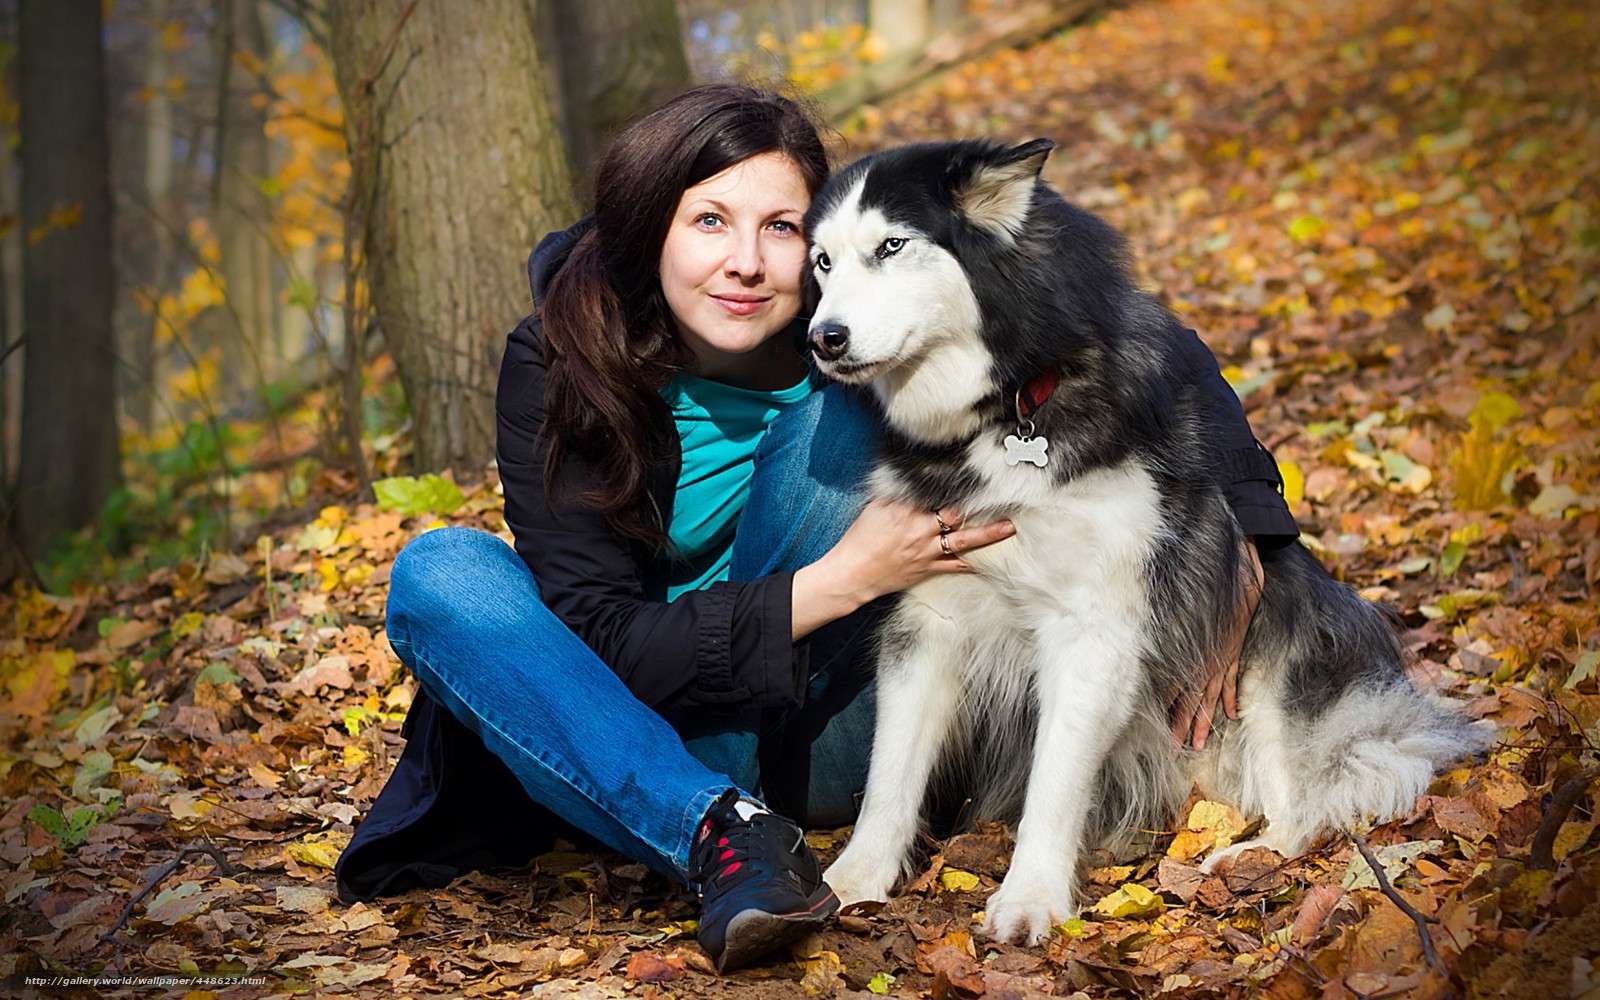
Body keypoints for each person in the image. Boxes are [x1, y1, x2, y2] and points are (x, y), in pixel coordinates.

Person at [334, 84, 1298, 972]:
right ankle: (718, 830)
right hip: (610, 740)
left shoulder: (852, 330)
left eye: (782, 228)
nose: (747, 262)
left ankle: (743, 827)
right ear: (647, 227)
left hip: (821, 727)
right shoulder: (561, 353)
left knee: (848, 409)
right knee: (441, 571)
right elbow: (594, 643)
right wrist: (840, 580)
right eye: (708, 220)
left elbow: (1121, 331)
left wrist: (1254, 530)